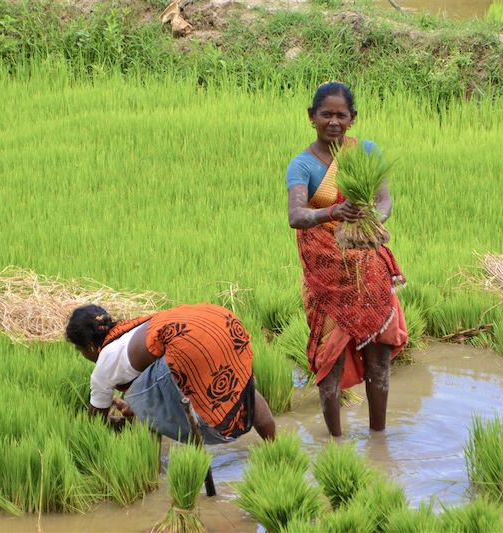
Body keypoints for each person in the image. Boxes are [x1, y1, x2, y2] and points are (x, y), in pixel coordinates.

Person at [286, 81, 408, 437]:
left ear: (353, 118)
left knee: (379, 358)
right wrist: (335, 212)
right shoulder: (302, 165)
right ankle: (334, 442)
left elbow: (384, 201)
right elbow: (296, 215)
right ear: (312, 118)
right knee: (330, 361)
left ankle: (378, 440)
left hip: (367, 267)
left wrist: (369, 223)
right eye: (326, 114)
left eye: (341, 115)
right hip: (326, 276)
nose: (334, 122)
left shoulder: (366, 152)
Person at [65, 303, 276, 444]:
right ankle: (274, 447)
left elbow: (94, 422)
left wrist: (118, 421)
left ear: (90, 347)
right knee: (244, 390)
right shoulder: (132, 328)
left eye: (79, 350)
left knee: (150, 406)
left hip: (189, 341)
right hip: (219, 321)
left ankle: (152, 471)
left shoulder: (103, 367)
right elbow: (157, 379)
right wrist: (133, 409)